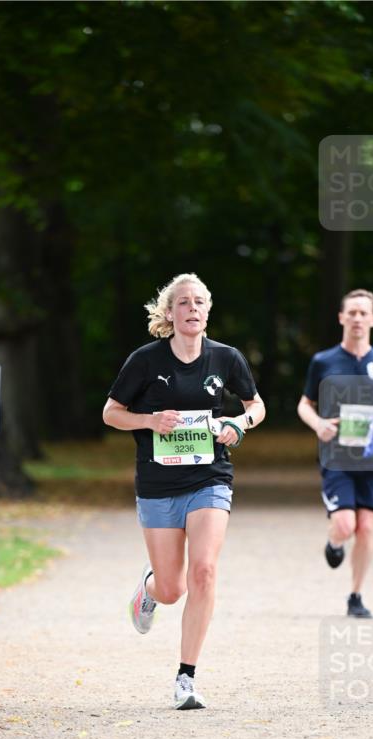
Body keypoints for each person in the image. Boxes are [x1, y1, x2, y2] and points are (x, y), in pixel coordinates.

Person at [103, 273, 266, 709]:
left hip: (210, 477)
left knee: (205, 571)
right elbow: (111, 413)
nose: (192, 309)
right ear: (170, 313)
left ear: (207, 311)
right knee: (173, 588)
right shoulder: (145, 360)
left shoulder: (226, 358)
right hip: (158, 484)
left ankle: (186, 678)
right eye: (183, 303)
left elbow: (256, 406)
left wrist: (237, 424)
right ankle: (149, 590)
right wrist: (150, 421)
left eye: (199, 302)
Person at [297, 289, 373, 618]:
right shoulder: (323, 361)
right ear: (341, 318)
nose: (358, 318)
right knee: (346, 525)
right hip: (337, 456)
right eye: (353, 313)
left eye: (364, 313)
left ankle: (356, 596)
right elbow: (305, 404)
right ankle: (334, 542)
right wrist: (318, 424)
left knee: (367, 528)